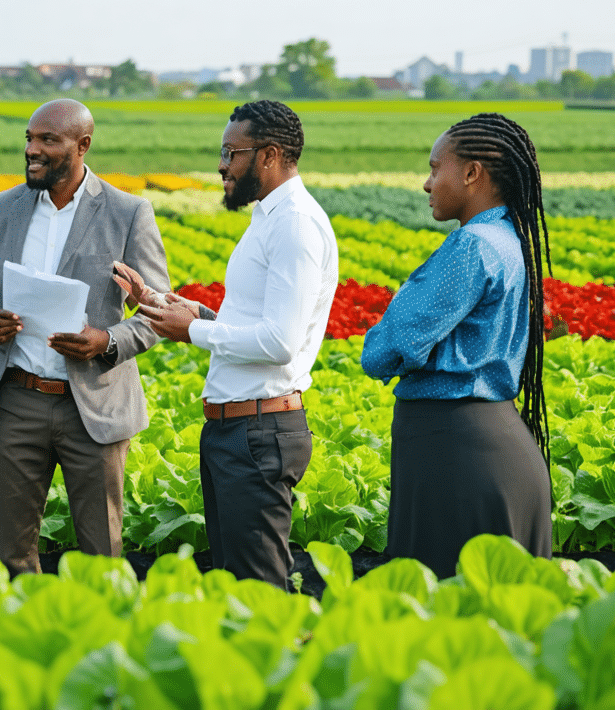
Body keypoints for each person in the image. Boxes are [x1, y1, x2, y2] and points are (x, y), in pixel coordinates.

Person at [135, 100, 338, 590]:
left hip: (259, 430)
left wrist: (194, 330)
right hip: (239, 429)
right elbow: (254, 324)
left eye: (231, 153)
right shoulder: (269, 218)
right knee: (235, 585)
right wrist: (175, 309)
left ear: (268, 155)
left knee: (257, 590)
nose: (222, 165)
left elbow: (280, 341)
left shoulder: (294, 224)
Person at [0, 99, 170, 576]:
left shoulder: (127, 212)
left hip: (93, 404)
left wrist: (107, 341)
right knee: (10, 553)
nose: (33, 150)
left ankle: (102, 643)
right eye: (29, 140)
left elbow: (159, 312)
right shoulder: (2, 208)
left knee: (101, 552)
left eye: (47, 141)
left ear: (83, 145)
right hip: (18, 399)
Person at [360, 113, 553, 578]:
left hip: (454, 453)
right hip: (497, 445)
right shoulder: (509, 239)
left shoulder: (472, 246)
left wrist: (388, 323)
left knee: (443, 613)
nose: (427, 184)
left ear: (471, 174)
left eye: (434, 168)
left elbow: (384, 351)